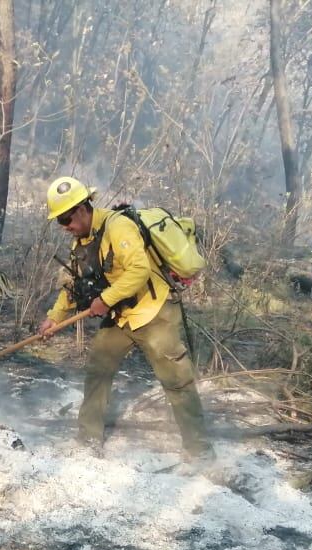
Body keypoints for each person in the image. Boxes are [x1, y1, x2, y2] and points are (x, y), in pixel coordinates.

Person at [38, 175, 213, 461]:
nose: (64, 226)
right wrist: (54, 318)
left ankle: (200, 451)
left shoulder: (118, 227)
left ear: (81, 209)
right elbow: (73, 286)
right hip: (120, 318)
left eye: (65, 219)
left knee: (178, 381)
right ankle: (88, 440)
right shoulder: (80, 243)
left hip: (152, 313)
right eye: (59, 221)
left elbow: (139, 271)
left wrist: (104, 300)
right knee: (98, 371)